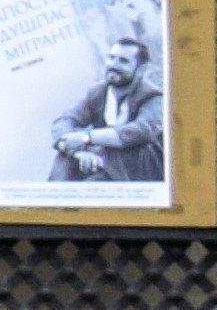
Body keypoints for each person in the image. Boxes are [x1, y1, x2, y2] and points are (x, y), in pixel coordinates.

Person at [51, 13, 167, 186]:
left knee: (92, 182)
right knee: (65, 160)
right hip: (104, 162)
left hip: (138, 170)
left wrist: (85, 138)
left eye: (123, 61)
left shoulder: (154, 97)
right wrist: (78, 151)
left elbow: (138, 131)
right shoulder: (98, 93)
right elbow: (64, 121)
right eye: (111, 58)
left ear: (141, 70)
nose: (113, 65)